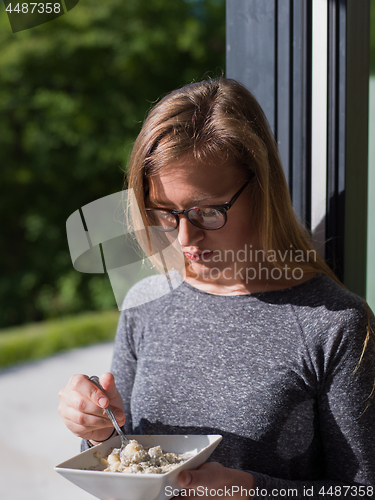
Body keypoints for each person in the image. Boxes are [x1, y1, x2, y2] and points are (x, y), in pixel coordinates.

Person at [58, 78, 375, 498]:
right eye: (165, 213)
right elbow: (124, 457)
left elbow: (361, 490)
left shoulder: (333, 324)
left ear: (262, 190)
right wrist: (96, 433)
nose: (185, 239)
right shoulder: (145, 305)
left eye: (208, 211)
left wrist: (252, 491)